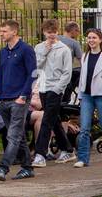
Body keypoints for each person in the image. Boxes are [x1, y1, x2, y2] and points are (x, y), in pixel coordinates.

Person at [0, 20, 35, 181]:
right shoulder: (3, 52)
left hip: (19, 100)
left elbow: (33, 74)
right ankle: (27, 168)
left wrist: (23, 96)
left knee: (13, 136)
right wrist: (0, 97)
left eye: (4, 31)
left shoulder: (26, 49)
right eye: (1, 31)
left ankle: (3, 168)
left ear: (14, 32)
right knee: (19, 135)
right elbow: (1, 75)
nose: (1, 33)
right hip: (4, 100)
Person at [32, 19, 76, 166]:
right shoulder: (38, 47)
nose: (51, 35)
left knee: (46, 120)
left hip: (55, 89)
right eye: (48, 32)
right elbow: (36, 66)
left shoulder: (64, 49)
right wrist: (46, 50)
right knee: (54, 119)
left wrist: (58, 89)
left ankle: (40, 154)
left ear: (57, 32)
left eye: (54, 32)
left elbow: (67, 72)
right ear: (44, 32)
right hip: (43, 87)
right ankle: (68, 150)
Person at [74, 29, 102, 169]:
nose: (91, 40)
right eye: (89, 38)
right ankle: (83, 158)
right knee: (84, 128)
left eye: (94, 38)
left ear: (100, 39)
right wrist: (80, 94)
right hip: (87, 95)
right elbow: (83, 77)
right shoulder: (85, 56)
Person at [61, 21, 82, 97]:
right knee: (66, 95)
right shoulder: (74, 43)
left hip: (52, 73)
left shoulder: (55, 39)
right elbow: (81, 60)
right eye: (78, 31)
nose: (79, 33)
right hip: (66, 73)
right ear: (74, 31)